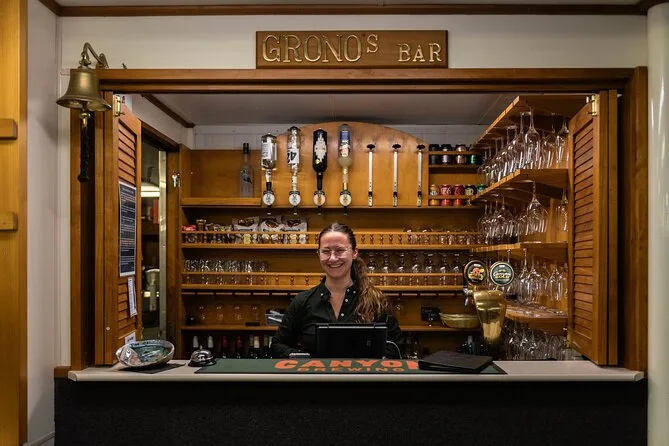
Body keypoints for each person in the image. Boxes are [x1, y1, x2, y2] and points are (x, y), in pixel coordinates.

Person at [271, 222, 403, 358]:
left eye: (340, 250)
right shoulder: (302, 301)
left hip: (362, 373)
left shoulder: (376, 301)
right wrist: (306, 360)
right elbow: (278, 345)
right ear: (318, 254)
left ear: (354, 253)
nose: (333, 258)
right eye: (326, 251)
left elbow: (396, 346)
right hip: (315, 372)